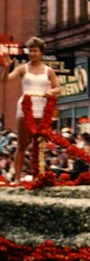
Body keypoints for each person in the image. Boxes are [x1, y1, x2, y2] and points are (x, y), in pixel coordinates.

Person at [1, 37, 61, 182]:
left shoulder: (49, 70)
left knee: (39, 143)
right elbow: (5, 80)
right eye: (30, 51)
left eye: (35, 51)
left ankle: (38, 176)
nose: (32, 53)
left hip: (41, 107)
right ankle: (17, 179)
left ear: (41, 52)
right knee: (22, 144)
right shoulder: (23, 68)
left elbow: (58, 88)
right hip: (25, 107)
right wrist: (7, 67)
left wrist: (51, 92)